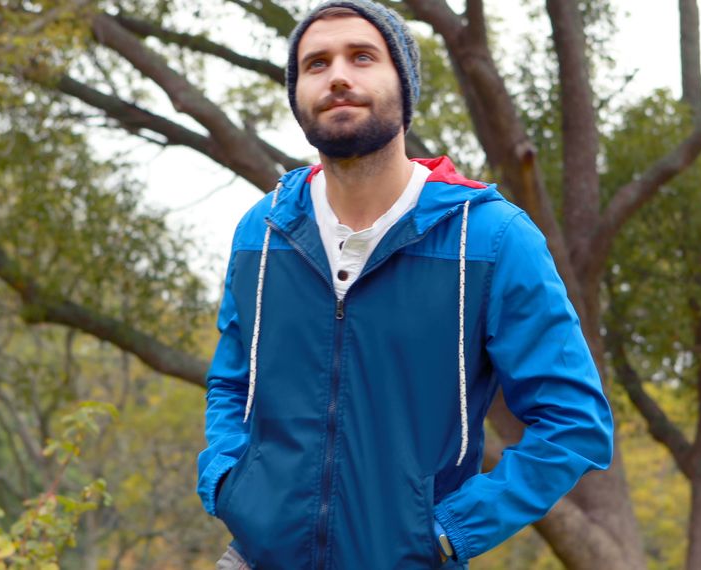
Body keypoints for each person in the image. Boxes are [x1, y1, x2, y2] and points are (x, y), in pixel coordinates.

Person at [196, 1, 614, 568]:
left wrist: (447, 532)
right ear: (298, 95)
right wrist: (227, 482)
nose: (338, 75)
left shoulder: (490, 240)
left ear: (405, 83)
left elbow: (574, 424)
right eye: (316, 64)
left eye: (362, 57)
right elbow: (231, 383)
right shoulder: (263, 232)